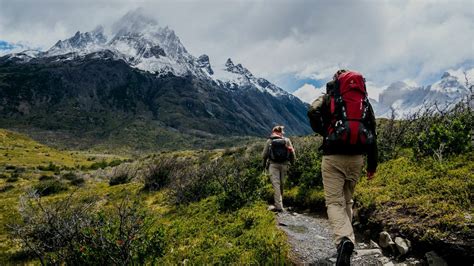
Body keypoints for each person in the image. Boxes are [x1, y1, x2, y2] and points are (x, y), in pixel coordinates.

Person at [308, 70, 378, 266]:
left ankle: (343, 241)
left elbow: (312, 111)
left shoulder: (329, 97)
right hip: (357, 158)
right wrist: (372, 164)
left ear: (335, 81)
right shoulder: (363, 101)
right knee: (347, 200)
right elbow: (372, 130)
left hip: (333, 156)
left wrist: (325, 130)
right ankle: (349, 242)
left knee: (334, 203)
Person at [262, 125, 296, 212]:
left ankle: (279, 206)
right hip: (284, 165)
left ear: (273, 131)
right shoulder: (286, 140)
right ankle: (280, 204)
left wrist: (264, 166)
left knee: (276, 185)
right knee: (281, 184)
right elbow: (292, 153)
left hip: (273, 165)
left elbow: (264, 155)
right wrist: (292, 163)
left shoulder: (269, 140)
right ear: (282, 132)